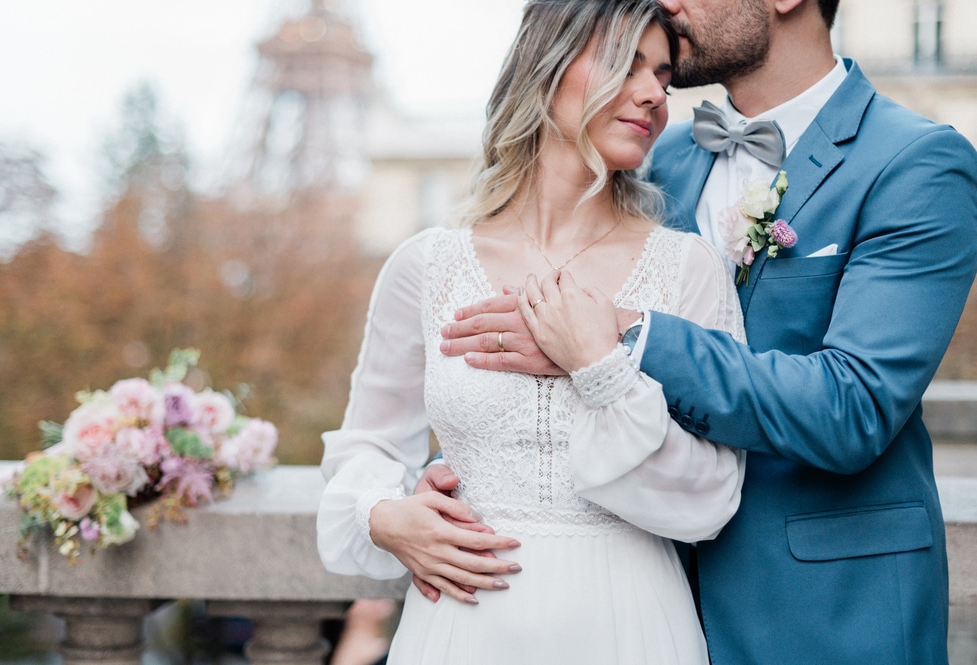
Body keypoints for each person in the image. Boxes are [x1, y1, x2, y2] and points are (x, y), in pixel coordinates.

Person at [436, 0, 977, 663]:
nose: (666, 4)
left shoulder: (917, 163)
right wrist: (432, 490)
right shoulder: (650, 157)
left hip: (828, 613)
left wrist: (628, 335)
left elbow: (854, 405)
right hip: (639, 606)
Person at [316, 1, 747, 663]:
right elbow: (367, 445)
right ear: (543, 69)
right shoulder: (425, 267)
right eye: (624, 63)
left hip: (631, 624)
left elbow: (710, 496)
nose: (653, 94)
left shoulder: (689, 268)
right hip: (460, 626)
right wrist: (383, 513)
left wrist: (598, 363)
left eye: (662, 74)